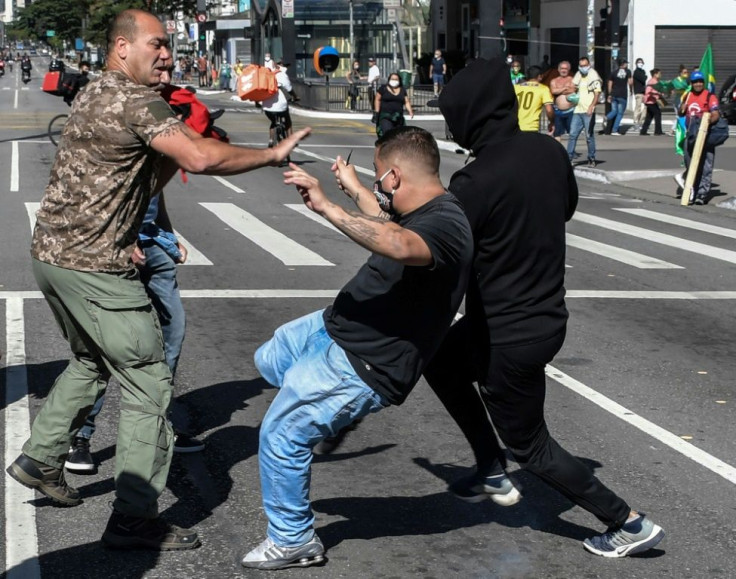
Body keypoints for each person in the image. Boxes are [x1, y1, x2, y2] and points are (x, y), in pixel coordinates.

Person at [6, 8, 309, 552]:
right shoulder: (133, 100)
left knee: (89, 361)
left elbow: (139, 172)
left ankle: (42, 457)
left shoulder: (97, 93)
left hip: (53, 256)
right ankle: (134, 517)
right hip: (94, 267)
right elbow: (197, 156)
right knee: (148, 382)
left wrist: (130, 229)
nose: (167, 53)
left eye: (168, 45)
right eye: (158, 44)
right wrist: (271, 154)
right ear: (123, 48)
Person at [432, 55, 665, 559]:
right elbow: (565, 208)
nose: (451, 128)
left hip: (507, 334)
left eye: (452, 118)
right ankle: (489, 466)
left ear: (471, 116)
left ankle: (626, 522)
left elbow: (449, 251)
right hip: (539, 317)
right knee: (443, 362)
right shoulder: (547, 151)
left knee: (532, 446)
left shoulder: (473, 181)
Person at [240, 126, 473, 569]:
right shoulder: (423, 210)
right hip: (334, 327)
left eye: (380, 177)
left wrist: (327, 207)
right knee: (268, 359)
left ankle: (294, 541)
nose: (379, 187)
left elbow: (399, 243)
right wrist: (354, 191)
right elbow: (390, 225)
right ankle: (310, 407)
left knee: (281, 435)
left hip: (363, 363)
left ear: (397, 176)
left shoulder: (447, 224)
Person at [675, 70, 721, 205]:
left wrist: (707, 122)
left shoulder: (709, 96)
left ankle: (702, 194)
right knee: (691, 164)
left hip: (706, 135)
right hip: (691, 135)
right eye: (695, 82)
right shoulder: (688, 96)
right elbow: (681, 114)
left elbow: (716, 114)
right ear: (692, 83)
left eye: (700, 81)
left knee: (706, 166)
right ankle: (691, 189)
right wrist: (681, 109)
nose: (698, 84)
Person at [567, 56, 602, 167]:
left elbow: (597, 94)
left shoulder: (593, 77)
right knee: (572, 135)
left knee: (589, 136)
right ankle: (569, 158)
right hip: (577, 110)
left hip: (588, 111)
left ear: (589, 65)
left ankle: (591, 158)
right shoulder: (578, 75)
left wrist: (592, 106)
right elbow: (573, 87)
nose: (582, 68)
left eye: (585, 65)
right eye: (581, 66)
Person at [514, 65, 554, 134]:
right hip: (531, 127)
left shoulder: (516, 87)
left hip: (515, 126)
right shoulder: (543, 89)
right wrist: (552, 122)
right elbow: (549, 110)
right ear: (540, 76)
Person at [262, 60, 294, 146]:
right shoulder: (282, 75)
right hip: (281, 105)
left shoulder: (265, 75)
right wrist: (295, 96)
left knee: (273, 122)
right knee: (288, 121)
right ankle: (291, 142)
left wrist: (257, 103)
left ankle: (271, 140)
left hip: (267, 106)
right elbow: (289, 89)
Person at [374, 72, 414, 137]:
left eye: (396, 79)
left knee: (399, 136)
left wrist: (410, 111)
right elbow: (377, 99)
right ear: (389, 80)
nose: (394, 81)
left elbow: (406, 102)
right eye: (392, 79)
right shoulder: (383, 88)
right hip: (386, 116)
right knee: (388, 134)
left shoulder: (402, 90)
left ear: (399, 81)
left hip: (398, 117)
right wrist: (377, 112)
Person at [602, 58, 632, 135]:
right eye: (626, 63)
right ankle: (615, 130)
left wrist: (609, 94)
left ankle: (607, 117)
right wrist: (631, 90)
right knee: (620, 113)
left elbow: (610, 84)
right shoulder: (628, 72)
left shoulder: (614, 73)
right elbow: (630, 82)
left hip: (614, 94)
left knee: (614, 110)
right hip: (622, 94)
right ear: (624, 64)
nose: (626, 65)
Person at [549, 60, 577, 141]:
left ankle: (570, 152)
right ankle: (558, 151)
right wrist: (565, 88)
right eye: (562, 68)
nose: (563, 70)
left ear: (569, 69)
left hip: (570, 111)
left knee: (572, 133)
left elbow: (573, 90)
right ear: (558, 69)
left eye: (566, 68)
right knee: (557, 134)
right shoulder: (554, 81)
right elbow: (553, 91)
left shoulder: (572, 80)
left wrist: (559, 90)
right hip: (558, 111)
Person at [639, 68, 665, 137]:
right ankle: (658, 131)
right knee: (658, 113)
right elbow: (648, 91)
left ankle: (643, 131)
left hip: (651, 101)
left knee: (649, 116)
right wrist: (657, 93)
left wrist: (660, 93)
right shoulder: (652, 81)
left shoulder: (655, 81)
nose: (660, 75)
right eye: (659, 73)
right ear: (655, 74)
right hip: (649, 101)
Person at [632, 58, 647, 130]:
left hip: (643, 92)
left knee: (644, 108)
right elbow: (643, 78)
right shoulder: (636, 72)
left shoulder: (643, 71)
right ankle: (636, 122)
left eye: (641, 62)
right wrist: (645, 77)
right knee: (638, 107)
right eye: (639, 62)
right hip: (638, 92)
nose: (640, 63)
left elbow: (644, 78)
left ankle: (641, 122)